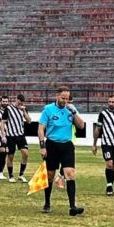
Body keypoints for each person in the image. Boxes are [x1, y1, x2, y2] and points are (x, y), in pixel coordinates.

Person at [38, 86, 85, 216]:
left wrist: (74, 112)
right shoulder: (48, 109)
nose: (65, 101)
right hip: (52, 144)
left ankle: (72, 206)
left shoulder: (70, 110)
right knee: (50, 175)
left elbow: (81, 126)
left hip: (67, 145)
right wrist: (42, 146)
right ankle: (47, 202)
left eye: (67, 98)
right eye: (63, 98)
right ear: (57, 96)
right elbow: (41, 128)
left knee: (70, 174)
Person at [92, 95, 114, 196]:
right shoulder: (103, 114)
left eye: (113, 102)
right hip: (106, 143)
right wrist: (94, 144)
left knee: (113, 166)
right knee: (109, 163)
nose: (111, 104)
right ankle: (109, 186)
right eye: (109, 102)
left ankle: (110, 186)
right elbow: (98, 128)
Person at [4, 93, 31, 183]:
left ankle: (21, 174)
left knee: (25, 153)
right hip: (10, 135)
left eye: (22, 103)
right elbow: (2, 122)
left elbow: (29, 121)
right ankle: (11, 175)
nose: (21, 104)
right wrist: (3, 135)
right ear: (16, 99)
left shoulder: (23, 108)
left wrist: (24, 112)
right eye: (19, 102)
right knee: (11, 155)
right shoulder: (8, 109)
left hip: (20, 135)